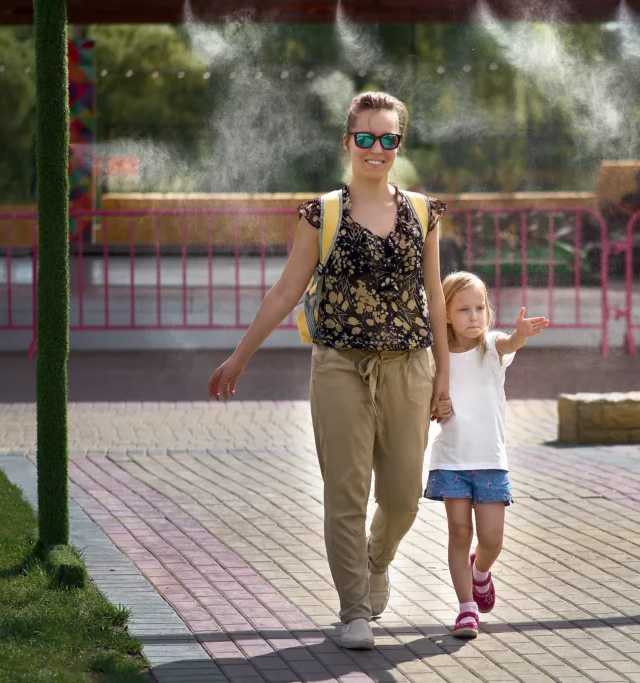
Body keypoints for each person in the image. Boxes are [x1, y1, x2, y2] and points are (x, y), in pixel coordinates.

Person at [206, 91, 451, 651]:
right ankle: (354, 611)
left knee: (404, 496)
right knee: (346, 492)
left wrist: (443, 374)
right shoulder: (323, 213)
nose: (376, 148)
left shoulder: (423, 211)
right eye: (364, 137)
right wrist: (239, 355)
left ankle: (377, 560)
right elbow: (286, 290)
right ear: (347, 142)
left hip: (410, 365)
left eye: (388, 138)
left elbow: (435, 296)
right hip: (340, 365)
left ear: (399, 144)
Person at [426, 271, 549, 639]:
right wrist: (437, 408)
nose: (474, 316)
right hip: (451, 461)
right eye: (463, 309)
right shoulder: (438, 356)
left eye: (480, 308)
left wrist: (521, 334)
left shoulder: (493, 347)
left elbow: (510, 343)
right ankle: (466, 610)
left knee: (492, 539)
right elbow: (429, 400)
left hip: (490, 462)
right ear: (445, 314)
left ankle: (480, 573)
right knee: (459, 532)